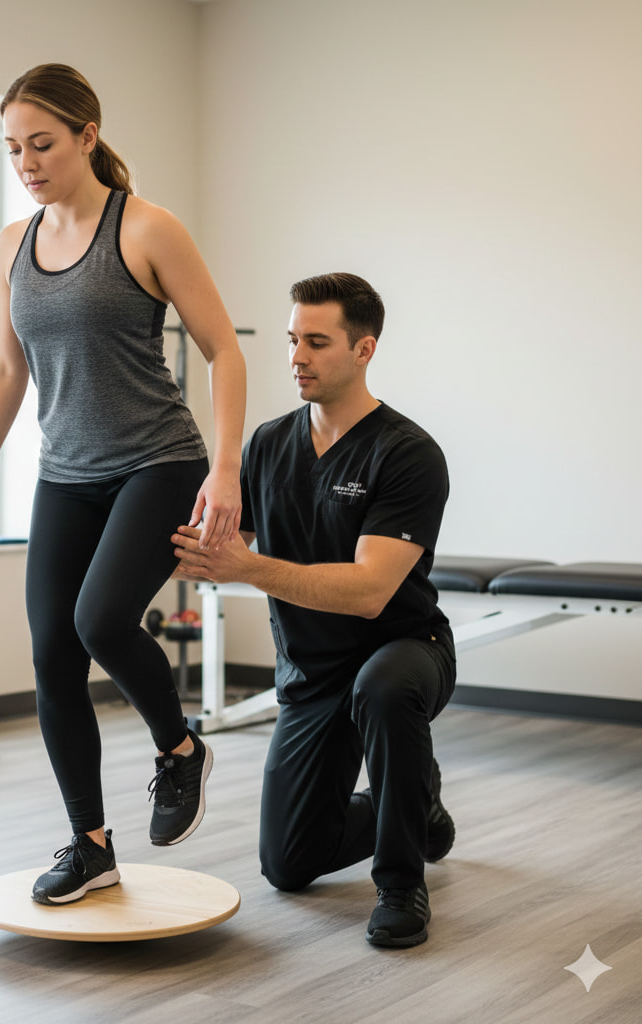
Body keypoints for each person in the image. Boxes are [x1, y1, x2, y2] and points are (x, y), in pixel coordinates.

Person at [0, 64, 247, 906]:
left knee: (98, 619)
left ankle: (179, 748)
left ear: (87, 135)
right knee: (51, 654)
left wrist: (225, 469)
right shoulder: (13, 243)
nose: (27, 162)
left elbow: (226, 350)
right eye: (13, 147)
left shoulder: (148, 229)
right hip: (66, 472)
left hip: (159, 461)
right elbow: (10, 369)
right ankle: (90, 846)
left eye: (42, 143)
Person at [171, 272, 456, 948]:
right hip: (312, 676)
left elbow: (368, 592)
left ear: (364, 350)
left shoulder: (407, 453)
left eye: (317, 342)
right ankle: (418, 804)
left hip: (403, 651)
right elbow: (218, 545)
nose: (296, 356)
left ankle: (400, 883)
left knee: (382, 688)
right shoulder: (267, 445)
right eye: (293, 339)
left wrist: (246, 567)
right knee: (288, 865)